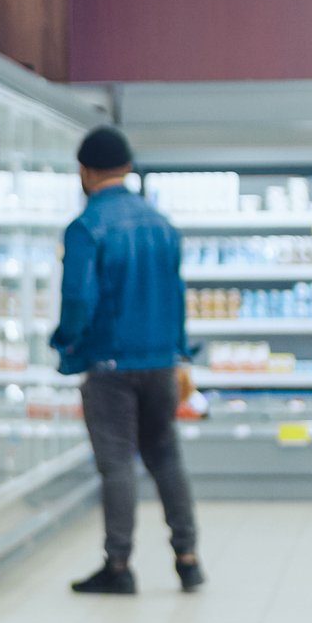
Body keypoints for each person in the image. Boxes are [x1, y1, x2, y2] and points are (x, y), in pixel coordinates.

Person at [52, 126, 202, 596]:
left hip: (110, 367)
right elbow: (177, 296)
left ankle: (118, 566)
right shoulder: (162, 225)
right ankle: (189, 558)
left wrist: (66, 344)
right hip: (160, 361)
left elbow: (78, 297)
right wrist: (178, 353)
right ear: (129, 168)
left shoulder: (86, 227)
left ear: (85, 172)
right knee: (166, 456)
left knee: (116, 465)